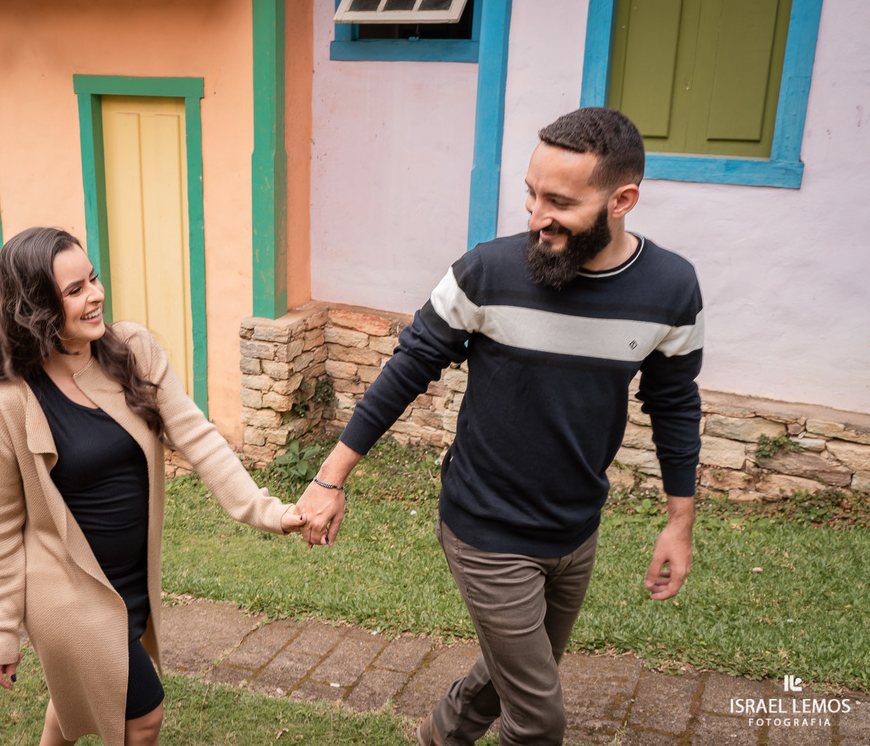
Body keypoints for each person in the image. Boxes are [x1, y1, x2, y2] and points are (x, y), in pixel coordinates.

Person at [295, 107, 704, 745]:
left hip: (576, 527)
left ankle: (437, 737)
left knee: (513, 671)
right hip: (486, 528)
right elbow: (408, 368)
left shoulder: (671, 289)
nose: (537, 217)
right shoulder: (486, 272)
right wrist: (330, 479)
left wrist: (679, 523)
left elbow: (675, 403)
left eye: (560, 202)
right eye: (531, 194)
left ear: (622, 200)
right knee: (538, 721)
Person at [0, 227, 305, 746]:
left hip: (130, 579)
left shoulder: (131, 350)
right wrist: (1, 630)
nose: (96, 295)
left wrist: (267, 511)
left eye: (93, 278)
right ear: (35, 307)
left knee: (79, 696)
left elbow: (196, 435)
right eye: (75, 290)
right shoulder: (5, 405)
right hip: (66, 591)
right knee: (143, 716)